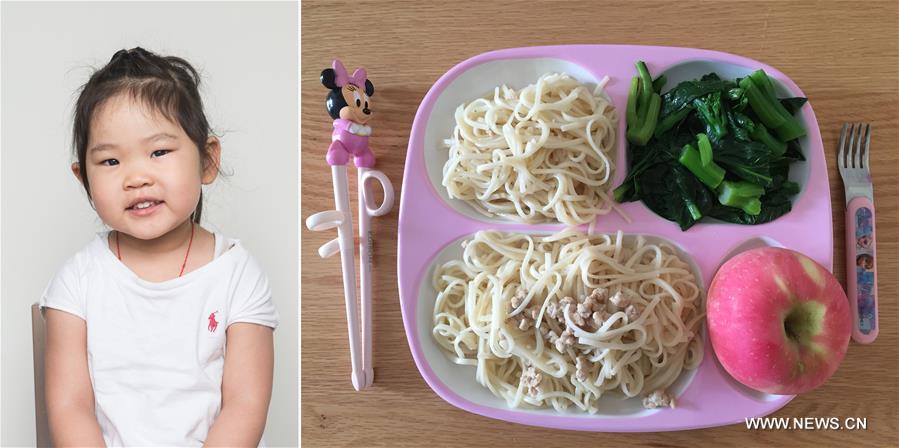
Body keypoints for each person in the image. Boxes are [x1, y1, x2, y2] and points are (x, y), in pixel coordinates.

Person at [41, 47, 278, 446]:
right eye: (111, 162)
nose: (136, 177)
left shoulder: (237, 274)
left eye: (159, 152)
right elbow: (70, 407)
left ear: (207, 160)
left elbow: (246, 404)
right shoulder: (78, 281)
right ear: (84, 180)